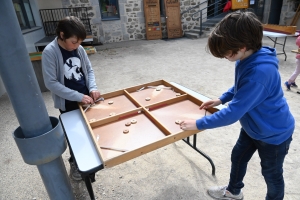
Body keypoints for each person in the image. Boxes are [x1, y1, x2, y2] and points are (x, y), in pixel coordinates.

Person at [180, 11, 294, 200]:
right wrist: (221, 99)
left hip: (274, 134)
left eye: (225, 53)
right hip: (253, 127)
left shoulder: (260, 72)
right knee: (238, 157)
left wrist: (199, 124)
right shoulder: (247, 57)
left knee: (272, 176)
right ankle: (233, 191)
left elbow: (232, 113)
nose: (224, 56)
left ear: (241, 47)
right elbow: (241, 86)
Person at [42, 16, 101, 181]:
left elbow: (88, 70)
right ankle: (76, 164)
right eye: (74, 42)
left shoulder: (79, 49)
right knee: (76, 137)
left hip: (86, 98)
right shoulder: (50, 52)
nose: (77, 45)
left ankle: (91, 170)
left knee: (90, 133)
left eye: (80, 42)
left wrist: (93, 88)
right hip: (68, 103)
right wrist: (77, 96)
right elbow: (51, 83)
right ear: (62, 35)